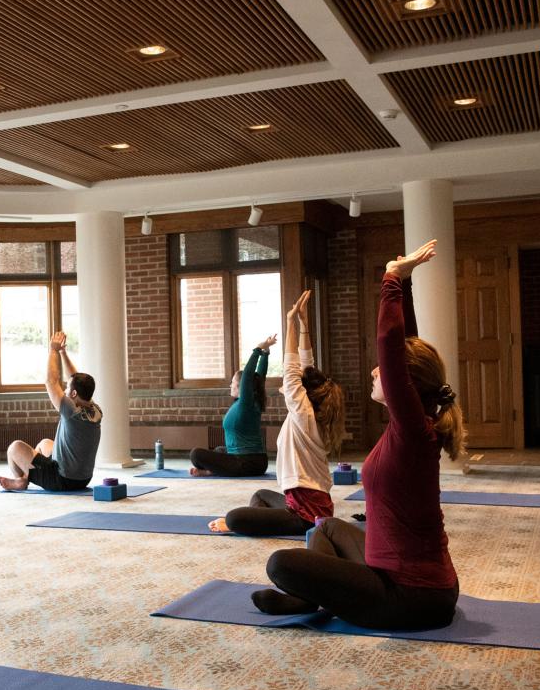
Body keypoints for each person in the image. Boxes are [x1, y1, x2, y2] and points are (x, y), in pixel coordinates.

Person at [250, 239, 464, 630]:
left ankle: (308, 598)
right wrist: (408, 285)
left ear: (405, 385)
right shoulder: (414, 425)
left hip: (412, 597)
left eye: (382, 370)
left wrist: (391, 278)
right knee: (326, 526)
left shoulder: (414, 432)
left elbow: (392, 348)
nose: (374, 372)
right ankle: (310, 598)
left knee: (280, 562)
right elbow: (404, 350)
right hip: (403, 578)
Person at [209, 291, 346, 536]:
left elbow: (292, 369)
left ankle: (254, 523)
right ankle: (262, 521)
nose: (293, 383)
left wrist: (289, 322)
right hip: (303, 503)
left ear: (303, 391)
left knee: (234, 518)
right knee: (260, 495)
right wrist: (303, 326)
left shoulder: (303, 414)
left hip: (305, 514)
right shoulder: (312, 413)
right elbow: (306, 365)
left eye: (298, 384)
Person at [0, 331, 102, 492]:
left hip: (62, 479)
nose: (65, 391)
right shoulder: (94, 409)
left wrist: (53, 350)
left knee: (14, 448)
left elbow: (51, 381)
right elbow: (74, 377)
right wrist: (63, 352)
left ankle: (21, 481)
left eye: (68, 388)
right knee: (44, 444)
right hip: (83, 479)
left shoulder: (71, 410)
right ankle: (28, 476)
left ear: (74, 394)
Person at [188, 334, 275, 477]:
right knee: (219, 450)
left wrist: (258, 349)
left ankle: (211, 471)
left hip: (246, 462)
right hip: (256, 461)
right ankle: (214, 469)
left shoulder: (246, 403)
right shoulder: (250, 401)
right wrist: (266, 353)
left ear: (241, 387)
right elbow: (260, 377)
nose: (230, 385)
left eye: (233, 383)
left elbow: (248, 375)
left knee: (195, 454)